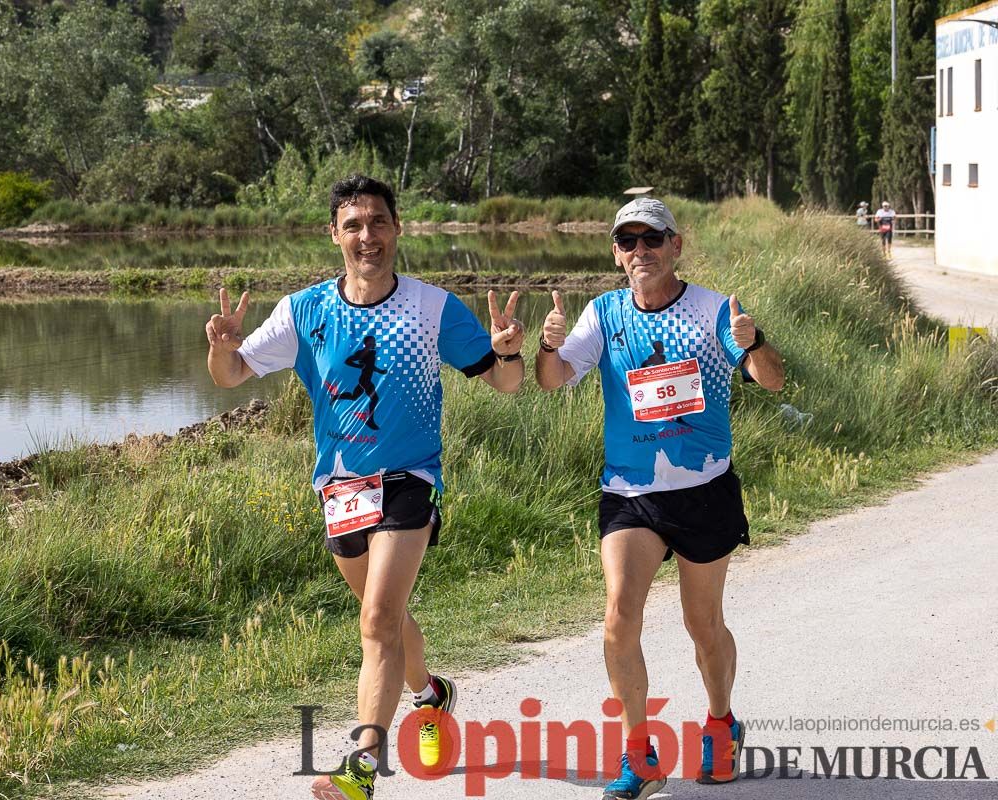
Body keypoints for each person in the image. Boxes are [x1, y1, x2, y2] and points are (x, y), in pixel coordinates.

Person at [206, 175, 526, 800]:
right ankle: (430, 696)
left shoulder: (432, 308)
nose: (367, 236)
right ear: (335, 235)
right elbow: (230, 375)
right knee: (384, 617)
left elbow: (506, 383)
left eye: (378, 222)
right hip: (342, 489)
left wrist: (509, 353)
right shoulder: (303, 312)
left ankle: (363, 763)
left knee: (379, 616)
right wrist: (220, 346)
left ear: (397, 229)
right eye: (353, 225)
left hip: (411, 480)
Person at [535, 197, 784, 800]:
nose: (639, 252)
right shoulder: (605, 314)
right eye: (628, 242)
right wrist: (545, 346)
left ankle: (721, 723)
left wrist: (752, 345)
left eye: (652, 240)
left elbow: (772, 379)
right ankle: (638, 753)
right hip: (631, 492)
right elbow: (551, 380)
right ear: (616, 253)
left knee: (703, 624)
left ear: (676, 245)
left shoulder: (712, 310)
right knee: (620, 614)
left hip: (704, 491)